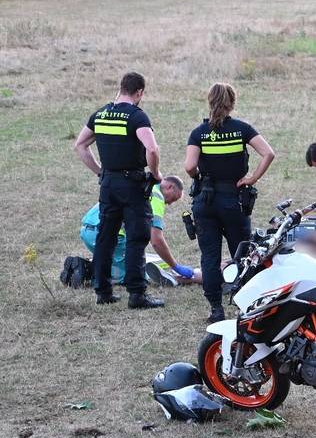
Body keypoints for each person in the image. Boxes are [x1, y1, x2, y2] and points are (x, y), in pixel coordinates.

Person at [72, 71, 165, 309]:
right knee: (136, 237)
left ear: (121, 88)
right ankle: (137, 294)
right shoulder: (137, 116)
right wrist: (155, 174)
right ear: (139, 92)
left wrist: (100, 171)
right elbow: (152, 149)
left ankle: (103, 291)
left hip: (108, 185)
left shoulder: (100, 114)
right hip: (132, 185)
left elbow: (80, 145)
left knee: (106, 236)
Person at [185, 82, 275, 323]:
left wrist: (199, 178)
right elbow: (269, 153)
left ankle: (216, 309)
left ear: (209, 101)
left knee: (210, 257)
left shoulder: (199, 133)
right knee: (243, 254)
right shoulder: (242, 129)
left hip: (205, 201)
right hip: (234, 200)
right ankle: (245, 306)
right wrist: (252, 178)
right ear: (232, 103)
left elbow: (189, 166)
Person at [69, 176, 198, 288]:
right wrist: (175, 266)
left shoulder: (143, 184)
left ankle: (92, 265)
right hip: (107, 235)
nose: (169, 203)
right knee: (135, 275)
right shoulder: (156, 197)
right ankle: (87, 271)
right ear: (170, 187)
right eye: (174, 199)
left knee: (127, 258)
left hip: (88, 230)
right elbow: (156, 240)